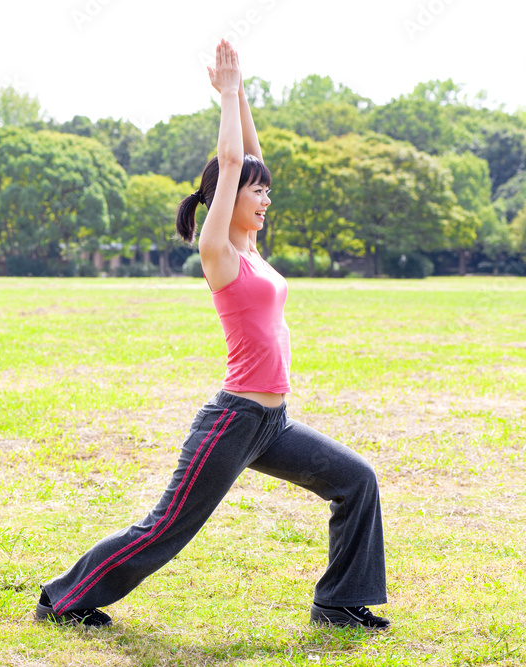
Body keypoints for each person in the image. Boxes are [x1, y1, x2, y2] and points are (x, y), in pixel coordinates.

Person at [35, 39, 390, 631]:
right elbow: (232, 163)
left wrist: (241, 94)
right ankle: (63, 598)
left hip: (273, 424)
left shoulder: (251, 249)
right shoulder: (219, 251)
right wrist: (225, 97)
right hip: (234, 420)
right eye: (259, 192)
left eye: (267, 190)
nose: (267, 197)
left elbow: (249, 157)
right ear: (228, 201)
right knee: (168, 526)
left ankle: (337, 603)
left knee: (357, 481)